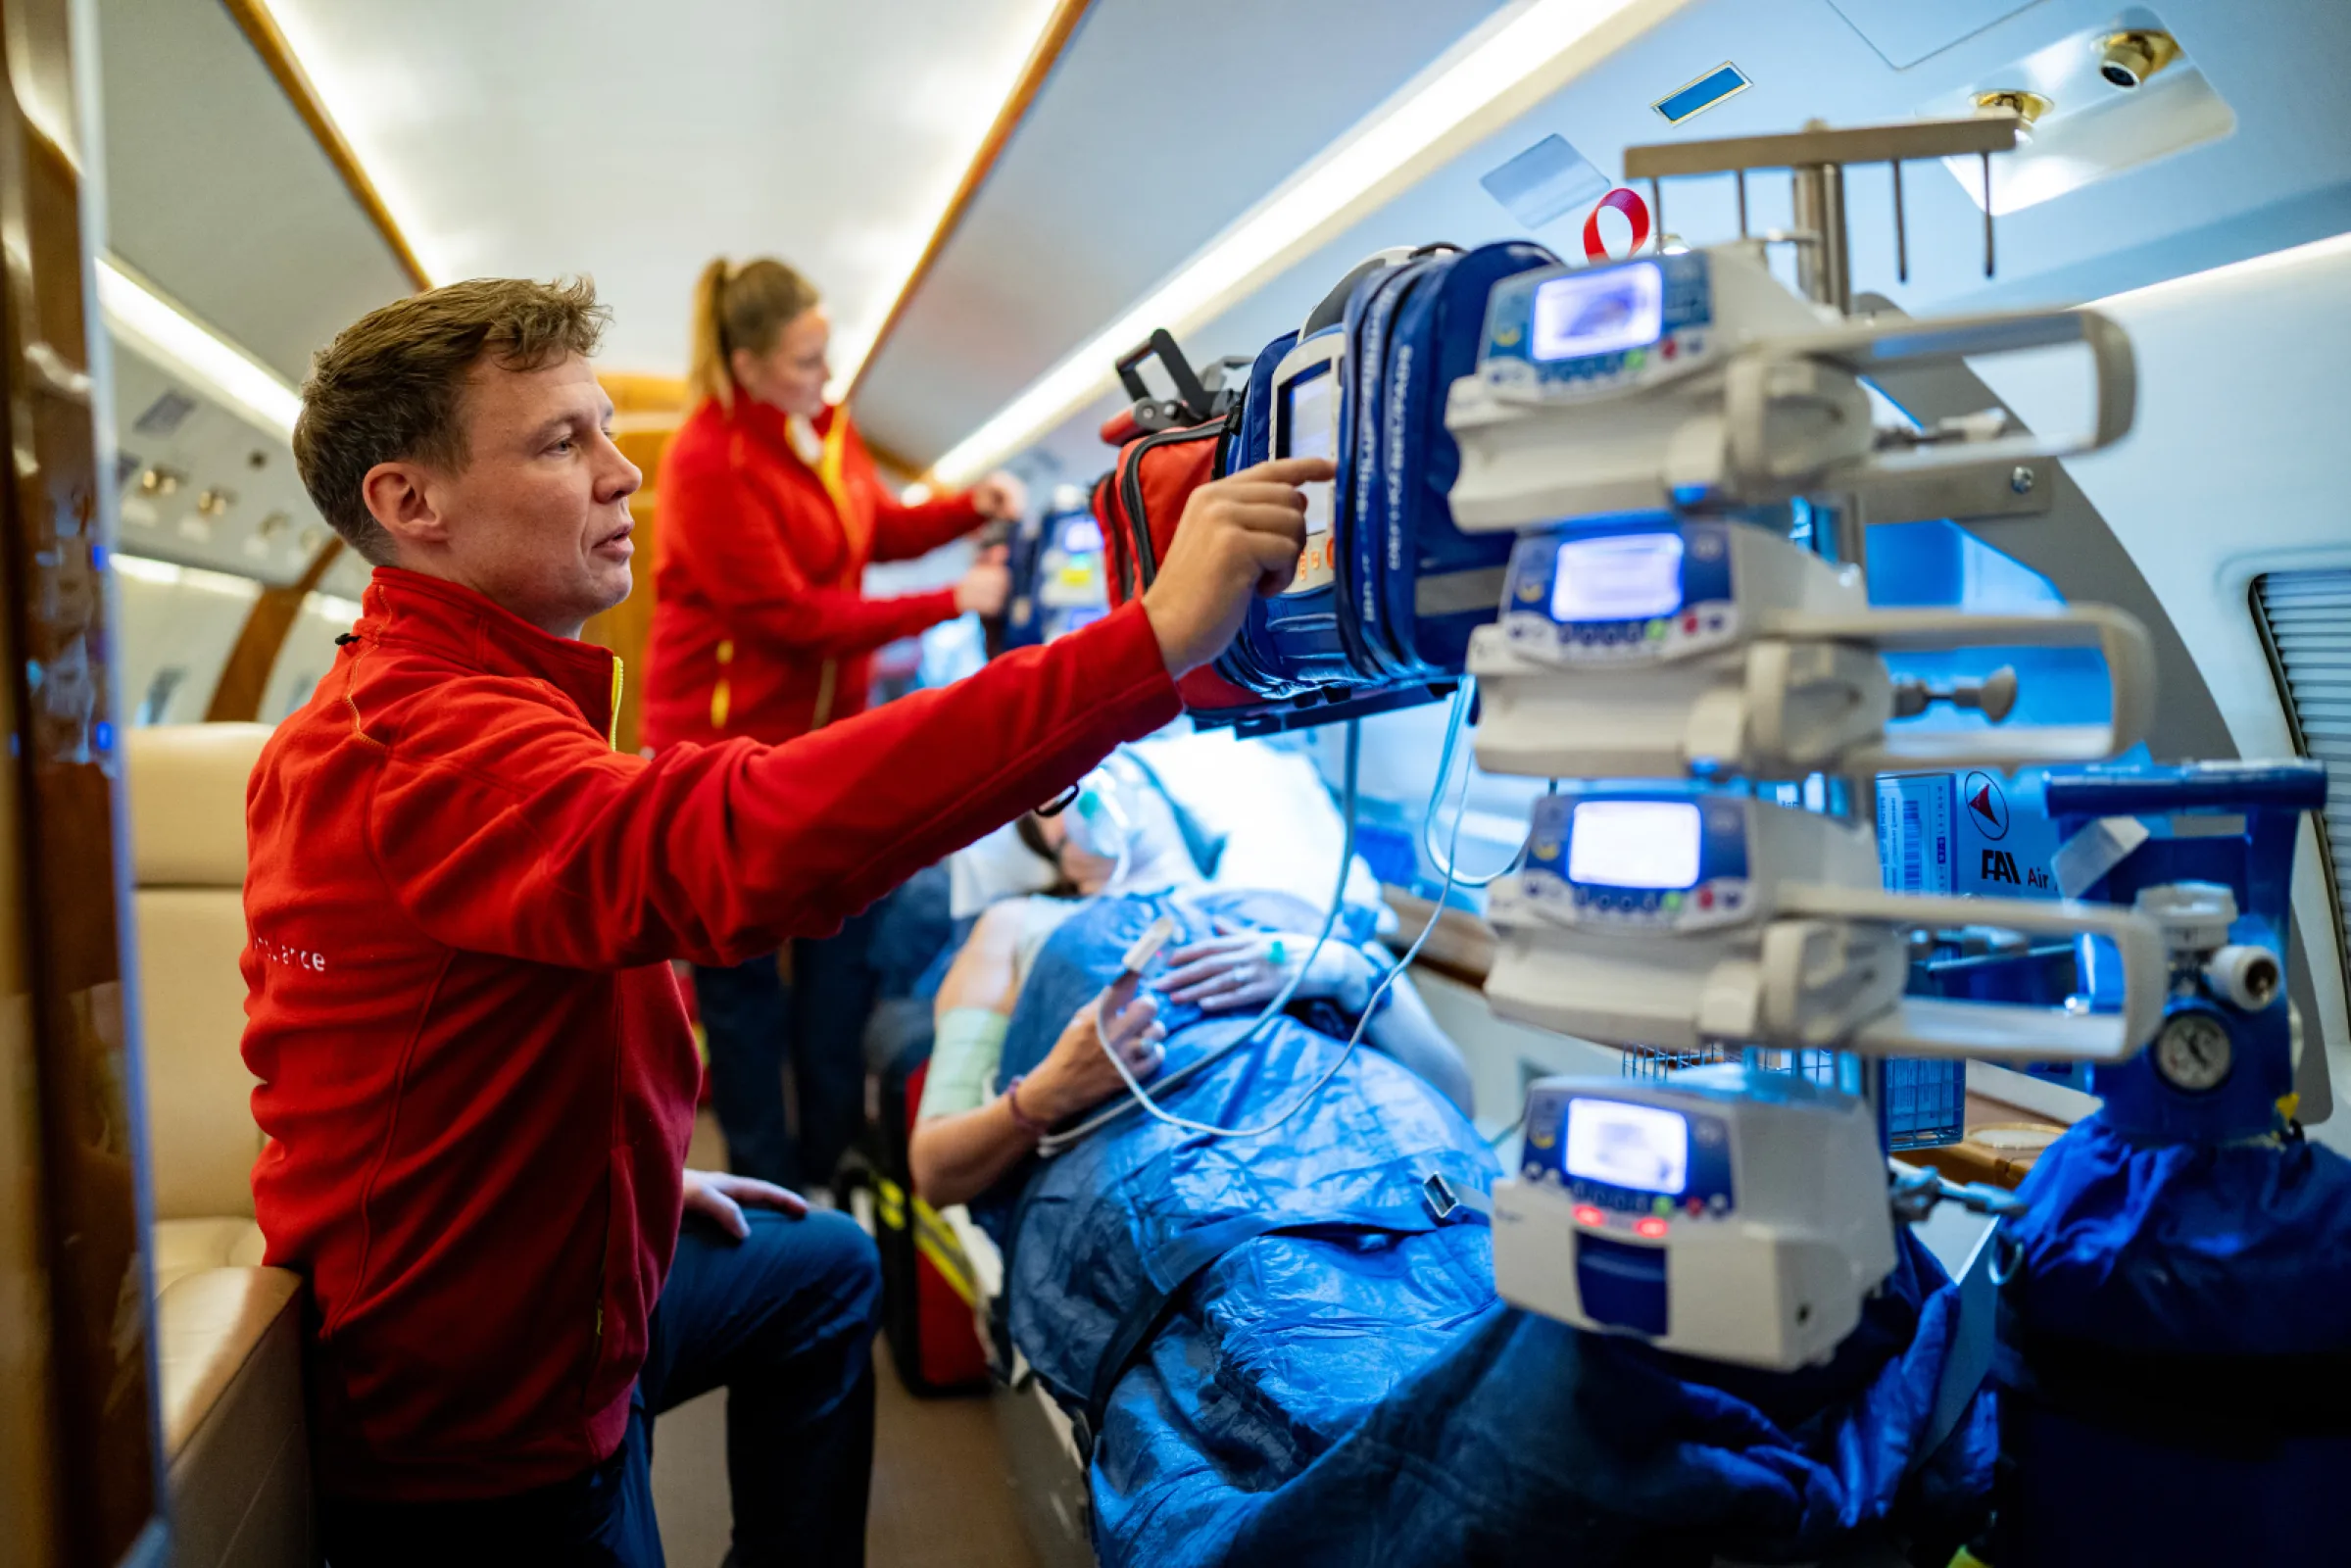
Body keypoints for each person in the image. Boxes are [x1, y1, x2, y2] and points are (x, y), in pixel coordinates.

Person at [246, 274, 1326, 1565]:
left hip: (568, 1265)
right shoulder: (425, 746)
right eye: (560, 443)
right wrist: (1143, 645)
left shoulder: (456, 698)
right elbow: (732, 845)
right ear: (409, 503)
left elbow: (426, 1040)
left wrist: (630, 1175)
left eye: (604, 429)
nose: (621, 475)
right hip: (480, 1403)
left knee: (822, 1267)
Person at [641, 257, 1028, 1197]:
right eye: (805, 362)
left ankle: (830, 1160)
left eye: (826, 355)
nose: (826, 377)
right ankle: (768, 1182)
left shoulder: (825, 429)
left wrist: (964, 509)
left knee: (835, 953)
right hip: (724, 750)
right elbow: (787, 616)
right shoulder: (707, 460)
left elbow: (872, 532)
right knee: (740, 978)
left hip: (820, 740)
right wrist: (949, 600)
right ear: (747, 364)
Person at [908, 802, 1471, 1207]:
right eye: (1059, 793)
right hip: (1190, 1200)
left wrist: (1346, 972)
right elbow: (934, 1170)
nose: (1101, 782)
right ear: (1049, 845)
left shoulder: (1291, 907)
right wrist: (1049, 1092)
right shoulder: (1020, 923)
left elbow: (1456, 1098)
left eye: (1120, 761)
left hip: (1377, 1164)